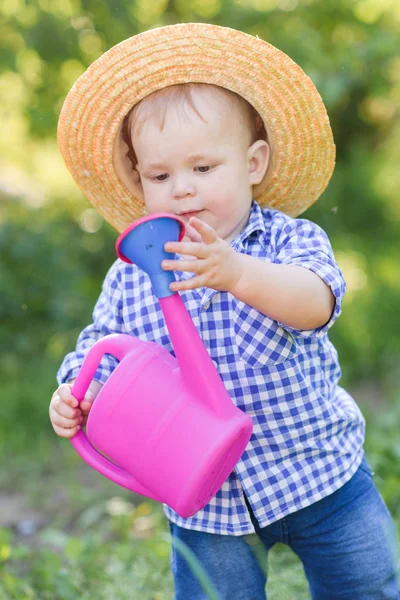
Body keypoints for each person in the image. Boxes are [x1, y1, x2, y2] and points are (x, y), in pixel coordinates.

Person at [49, 23, 399, 599]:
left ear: (253, 162)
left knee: (365, 585)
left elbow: (316, 303)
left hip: (317, 470)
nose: (182, 189)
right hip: (206, 499)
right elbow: (101, 349)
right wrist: (76, 394)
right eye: (161, 176)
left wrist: (237, 274)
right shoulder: (132, 273)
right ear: (140, 182)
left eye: (203, 168)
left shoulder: (287, 240)